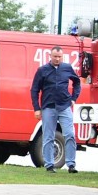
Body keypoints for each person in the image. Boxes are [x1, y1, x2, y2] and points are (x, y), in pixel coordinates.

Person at [31, 45, 81, 174]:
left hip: (65, 106)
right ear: (50, 56)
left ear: (62, 57)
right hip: (48, 107)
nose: (57, 59)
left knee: (70, 134)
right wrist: (37, 108)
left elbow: (77, 82)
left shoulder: (67, 68)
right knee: (48, 136)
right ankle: (49, 165)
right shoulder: (42, 70)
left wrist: (74, 98)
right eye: (55, 57)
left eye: (59, 57)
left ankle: (71, 164)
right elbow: (35, 89)